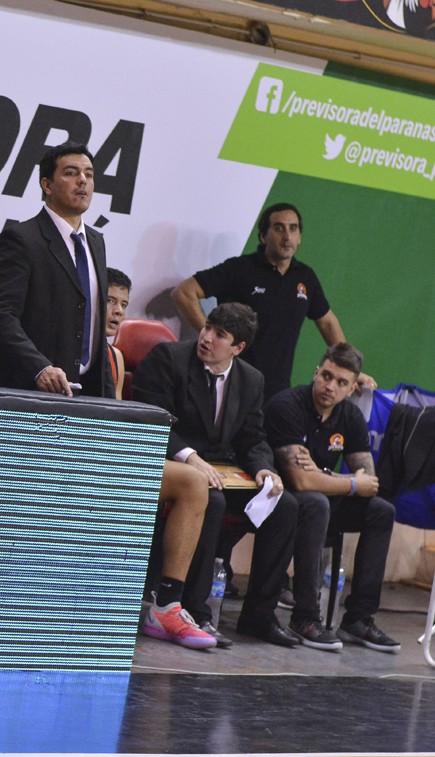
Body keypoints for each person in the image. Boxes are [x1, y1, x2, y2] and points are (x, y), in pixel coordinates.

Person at [133, 302, 301, 647]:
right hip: (179, 466)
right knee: (211, 499)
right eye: (207, 327)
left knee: (286, 505)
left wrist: (265, 469)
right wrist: (190, 457)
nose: (206, 337)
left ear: (238, 348)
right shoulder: (169, 359)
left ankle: (260, 616)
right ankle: (196, 612)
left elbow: (253, 437)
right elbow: (152, 419)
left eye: (220, 334)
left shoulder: (251, 379)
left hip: (223, 470)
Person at [104, 268, 215, 649]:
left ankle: (166, 606)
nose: (117, 311)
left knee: (194, 481)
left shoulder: (116, 356)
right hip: (73, 456)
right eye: (109, 301)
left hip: (111, 457)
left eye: (123, 304)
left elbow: (119, 421)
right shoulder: (67, 348)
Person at [265, 343, 400, 652]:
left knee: (381, 510)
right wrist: (348, 483)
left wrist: (326, 476)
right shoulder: (287, 406)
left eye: (341, 382)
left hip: (320, 499)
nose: (330, 387)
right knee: (315, 502)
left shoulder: (350, 416)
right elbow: (301, 481)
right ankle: (305, 618)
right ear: (316, 373)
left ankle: (358, 620)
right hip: (278, 499)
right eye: (326, 376)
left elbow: (369, 483)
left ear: (352, 389)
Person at [170, 203, 375, 402]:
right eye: (278, 228)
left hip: (277, 393)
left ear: (299, 237)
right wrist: (211, 339)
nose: (287, 237)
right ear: (263, 236)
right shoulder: (240, 269)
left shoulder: (305, 278)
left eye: (293, 229)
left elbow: (328, 322)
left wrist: (351, 370)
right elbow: (184, 293)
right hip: (230, 385)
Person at [0, 141, 112, 399]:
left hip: (86, 394)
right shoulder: (21, 239)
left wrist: (107, 398)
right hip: (27, 392)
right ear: (47, 185)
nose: (83, 181)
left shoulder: (96, 242)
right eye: (71, 173)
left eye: (88, 174)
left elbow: (95, 327)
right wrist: (39, 368)